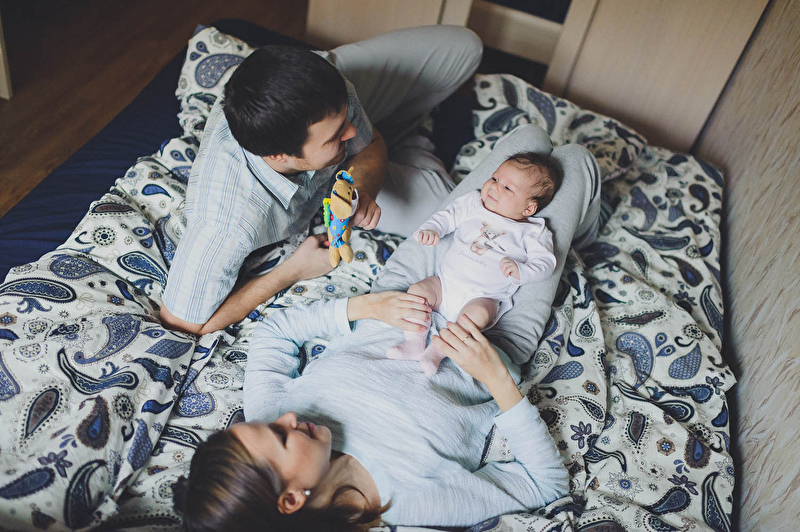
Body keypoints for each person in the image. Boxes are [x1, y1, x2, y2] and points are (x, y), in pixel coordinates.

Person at [172, 125, 604, 530]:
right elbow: (545, 485)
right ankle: (584, 230)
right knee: (577, 164)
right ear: (290, 500)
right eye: (282, 436)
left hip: (408, 290)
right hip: (496, 331)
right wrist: (496, 379)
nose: (285, 417)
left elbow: (274, 334)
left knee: (528, 141)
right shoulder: (414, 498)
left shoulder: (266, 415)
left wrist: (368, 306)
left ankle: (573, 218)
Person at [160, 26, 483, 335]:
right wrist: (293, 270)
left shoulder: (328, 92)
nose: (352, 130)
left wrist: (362, 189)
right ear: (279, 156)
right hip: (277, 190)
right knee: (458, 221)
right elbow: (184, 324)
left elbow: (369, 141)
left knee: (465, 47)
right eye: (336, 135)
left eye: (346, 118)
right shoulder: (226, 225)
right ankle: (416, 145)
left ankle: (404, 136)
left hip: (328, 119)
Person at [387, 152, 562, 375]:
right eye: (495, 178)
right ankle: (414, 342)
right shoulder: (473, 203)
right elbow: (447, 216)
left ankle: (438, 351)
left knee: (478, 315)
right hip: (445, 284)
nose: (495, 186)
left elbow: (546, 263)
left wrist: (522, 271)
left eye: (508, 188)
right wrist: (433, 229)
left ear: (529, 208)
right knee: (418, 291)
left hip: (483, 296)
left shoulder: (533, 232)